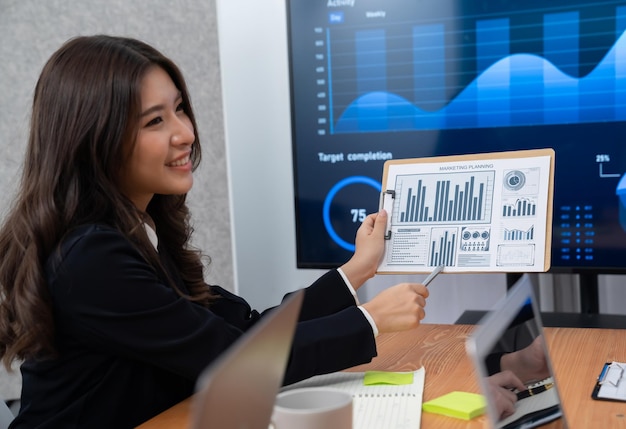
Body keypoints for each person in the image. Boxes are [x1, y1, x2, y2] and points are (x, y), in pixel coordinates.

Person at [0, 35, 430, 428]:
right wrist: (370, 320)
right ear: (95, 137)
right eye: (155, 121)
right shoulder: (89, 258)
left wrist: (355, 270)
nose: (185, 133)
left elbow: (245, 332)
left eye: (180, 108)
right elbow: (234, 361)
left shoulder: (137, 233)